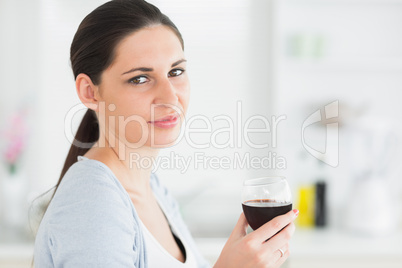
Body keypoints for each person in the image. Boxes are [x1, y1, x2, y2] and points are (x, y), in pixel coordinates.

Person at [34, 0, 298, 267]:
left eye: (175, 71)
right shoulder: (92, 203)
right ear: (90, 92)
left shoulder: (151, 188)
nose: (170, 96)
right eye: (140, 78)